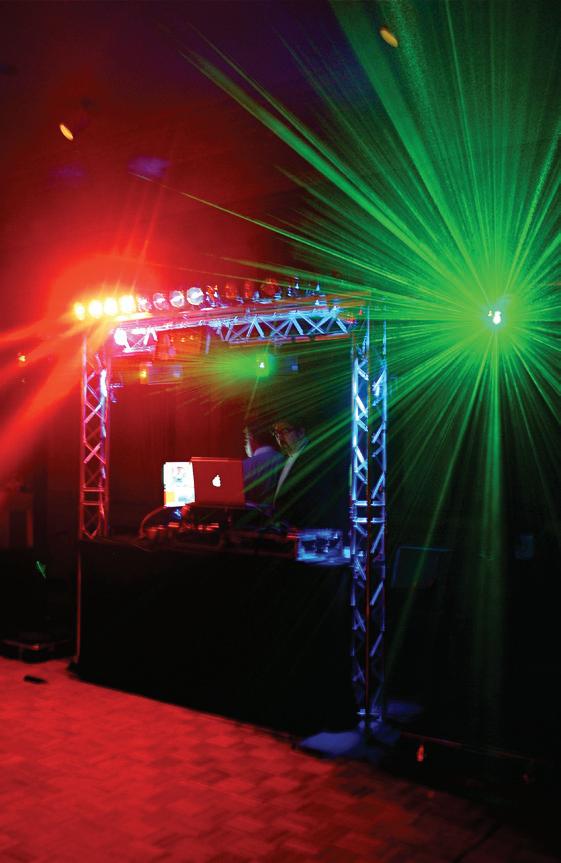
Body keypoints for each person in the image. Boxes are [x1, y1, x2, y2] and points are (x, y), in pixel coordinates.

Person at [272, 417, 346, 530]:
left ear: (301, 432)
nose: (280, 437)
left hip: (309, 531)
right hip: (288, 530)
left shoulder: (315, 456)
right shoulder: (285, 459)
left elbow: (317, 499)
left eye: (285, 431)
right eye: (276, 433)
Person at [242, 419, 285, 509]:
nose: (244, 445)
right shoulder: (284, 459)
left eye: (246, 440)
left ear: (251, 438)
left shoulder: (245, 465)